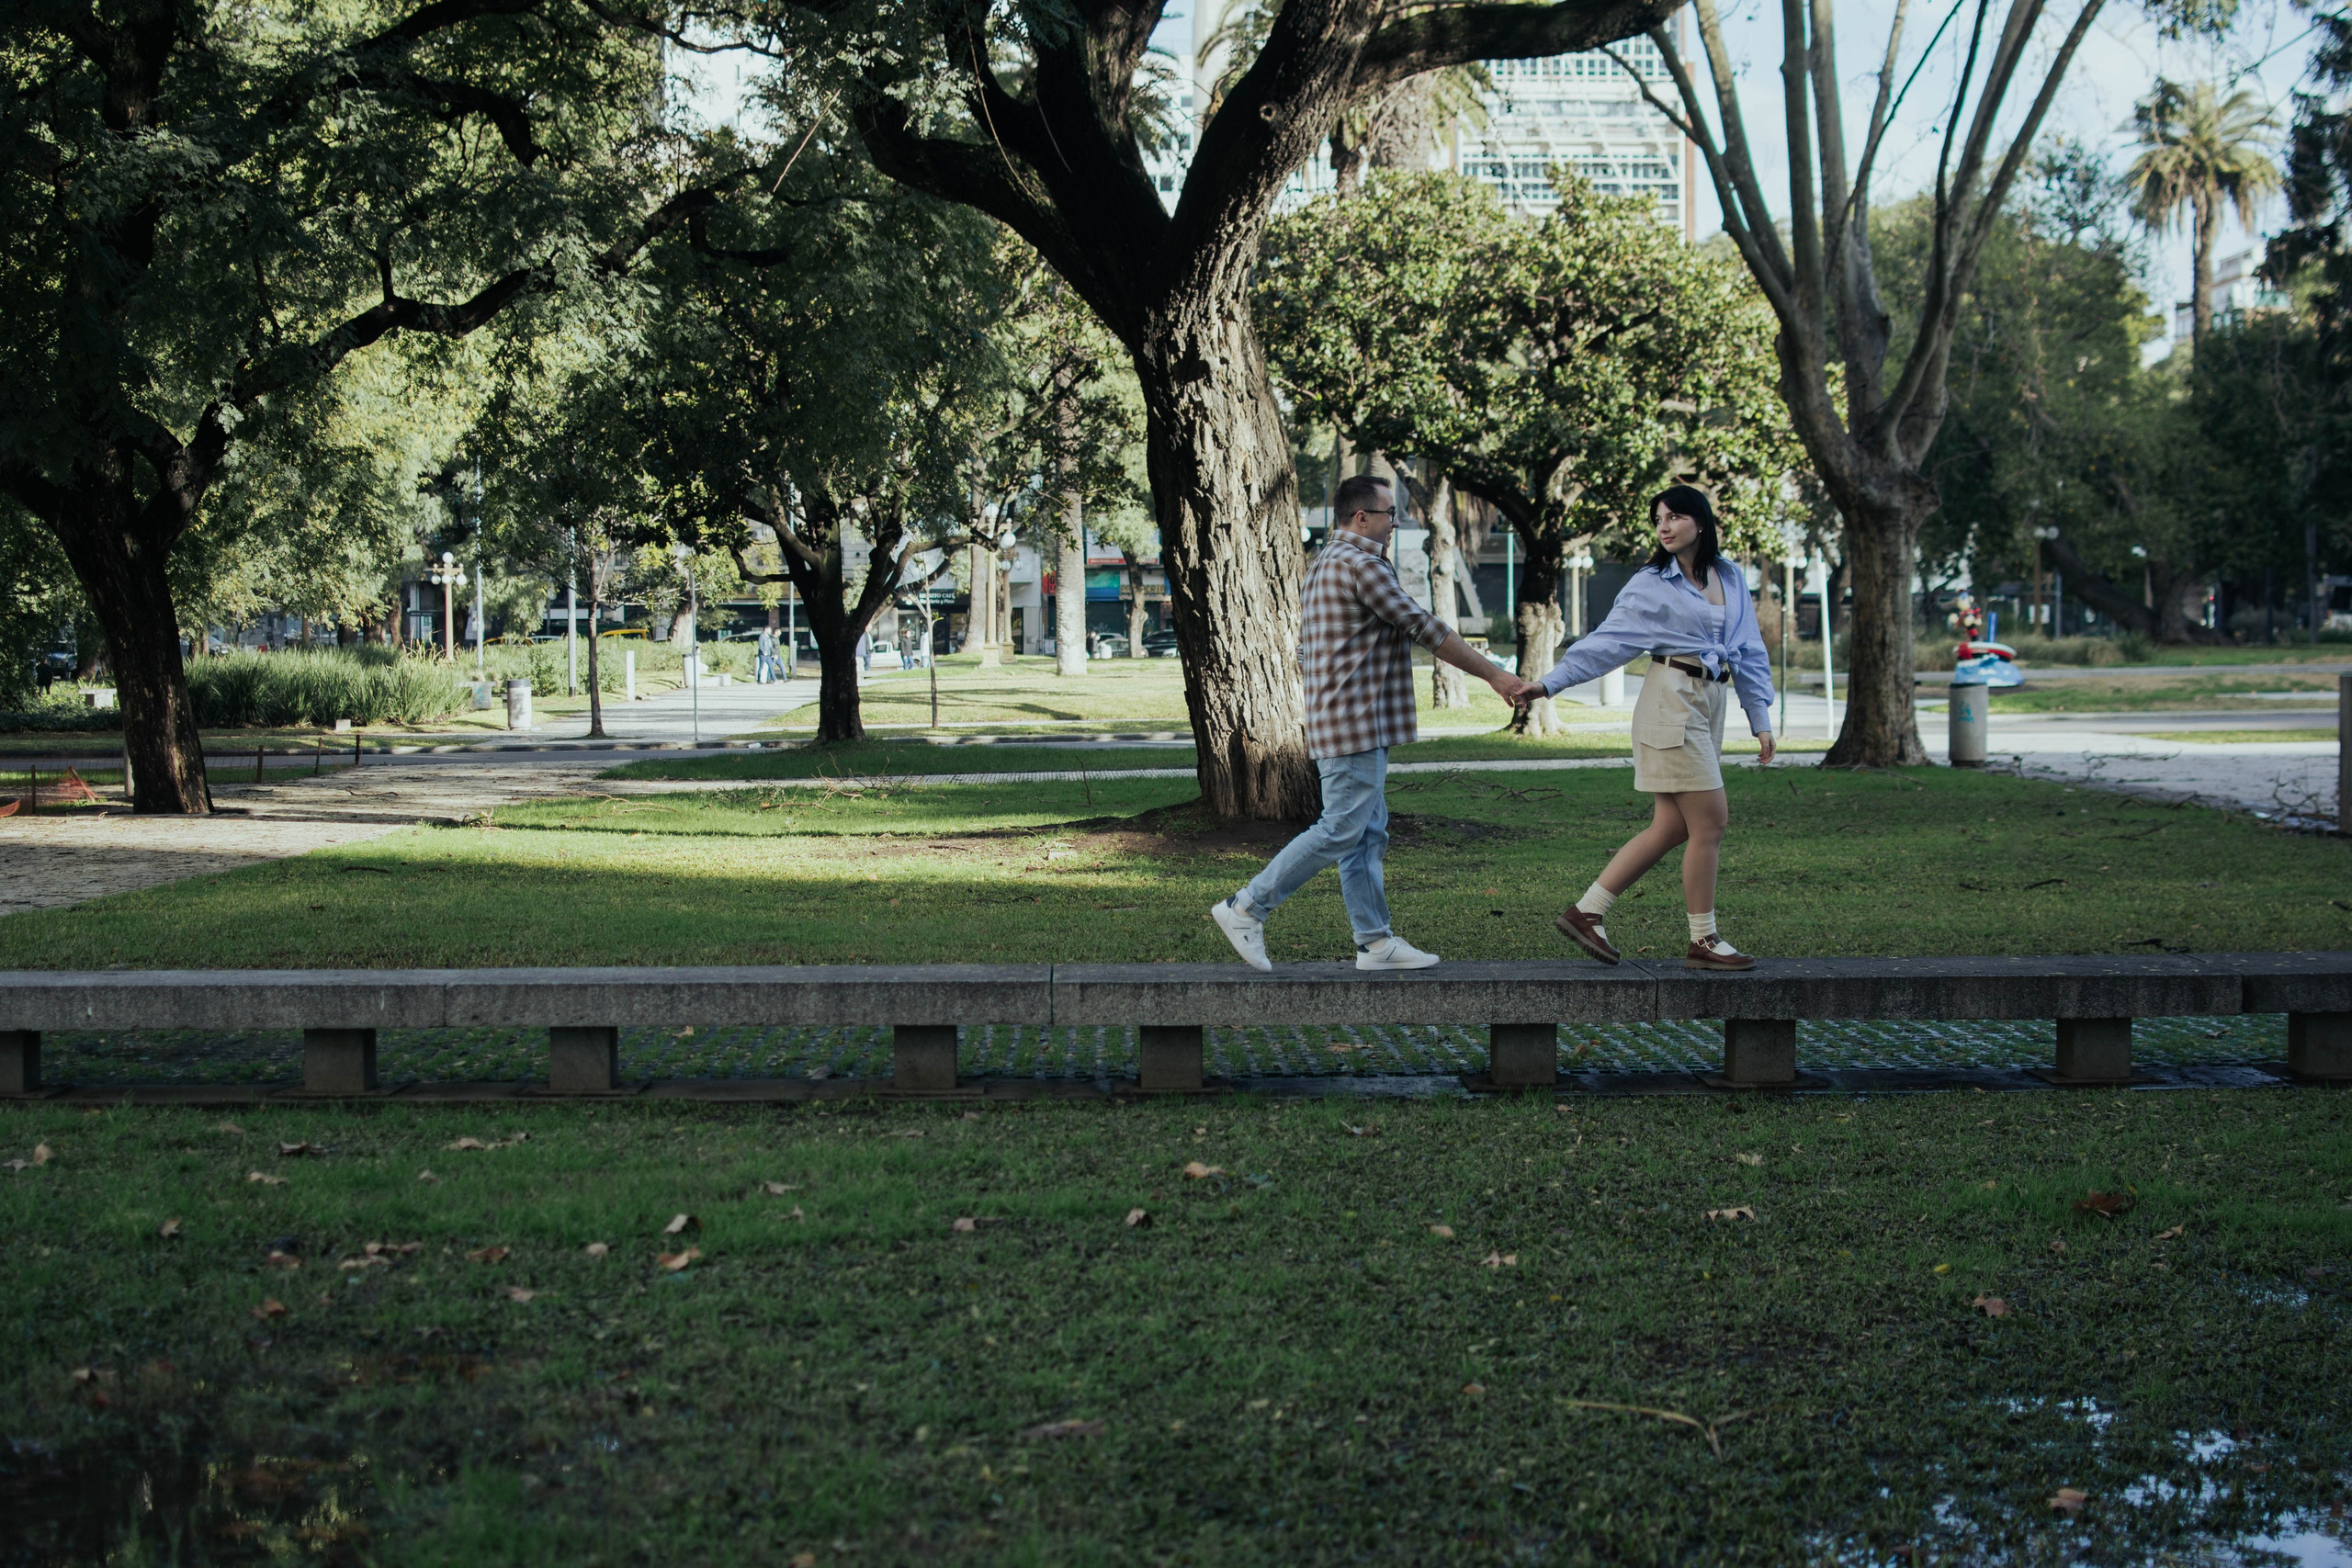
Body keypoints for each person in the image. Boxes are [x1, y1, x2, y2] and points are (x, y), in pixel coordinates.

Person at [1211, 474, 1541, 973]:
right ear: (1362, 518)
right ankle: (1246, 908)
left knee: (1367, 834)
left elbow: (1307, 650)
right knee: (1342, 829)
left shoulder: (1324, 563)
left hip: (1345, 720)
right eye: (1391, 515)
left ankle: (1375, 942)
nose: (1396, 524)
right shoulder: (1363, 565)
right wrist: (1496, 675)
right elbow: (1424, 627)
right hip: (1355, 724)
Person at [1532, 485, 1776, 970]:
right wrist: (1549, 684)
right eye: (1658, 518)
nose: (1664, 526)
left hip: (1710, 702)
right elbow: (1607, 643)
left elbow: (1748, 649)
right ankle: (1702, 940)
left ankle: (1587, 912)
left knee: (1670, 827)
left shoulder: (1728, 575)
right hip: (1671, 700)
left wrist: (1761, 718)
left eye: (1675, 516)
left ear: (1700, 522)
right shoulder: (1651, 582)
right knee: (1712, 822)